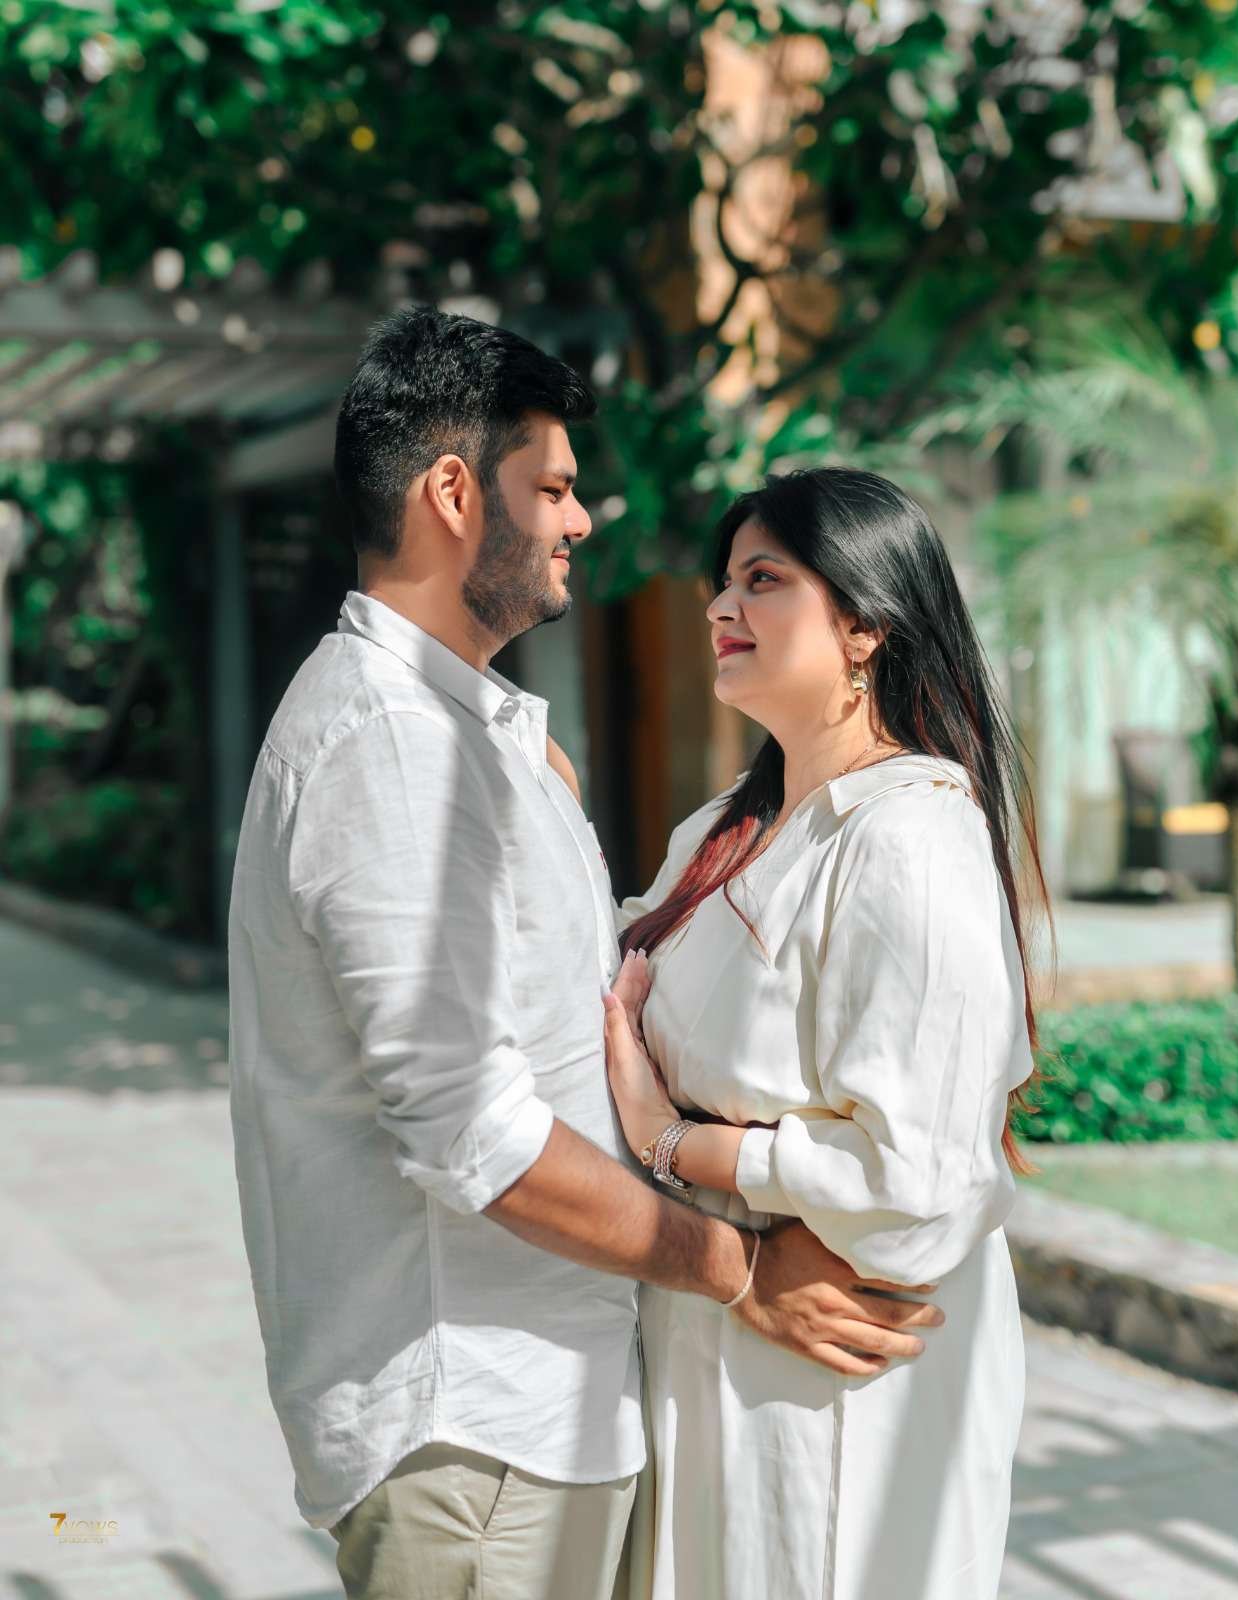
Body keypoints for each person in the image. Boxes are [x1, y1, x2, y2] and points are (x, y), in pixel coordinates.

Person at [227, 311, 942, 1600]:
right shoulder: (398, 749)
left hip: (537, 1417)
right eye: (551, 486)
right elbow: (475, 1135)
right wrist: (738, 1269)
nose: (580, 519)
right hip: (476, 1431)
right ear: (455, 495)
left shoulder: (467, 738)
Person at [603, 467, 1043, 1600]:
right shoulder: (726, 829)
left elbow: (919, 1181)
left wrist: (675, 1144)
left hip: (841, 1365)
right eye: (723, 582)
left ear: (864, 625)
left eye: (763, 580)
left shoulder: (909, 839)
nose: (719, 606)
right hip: (713, 1339)